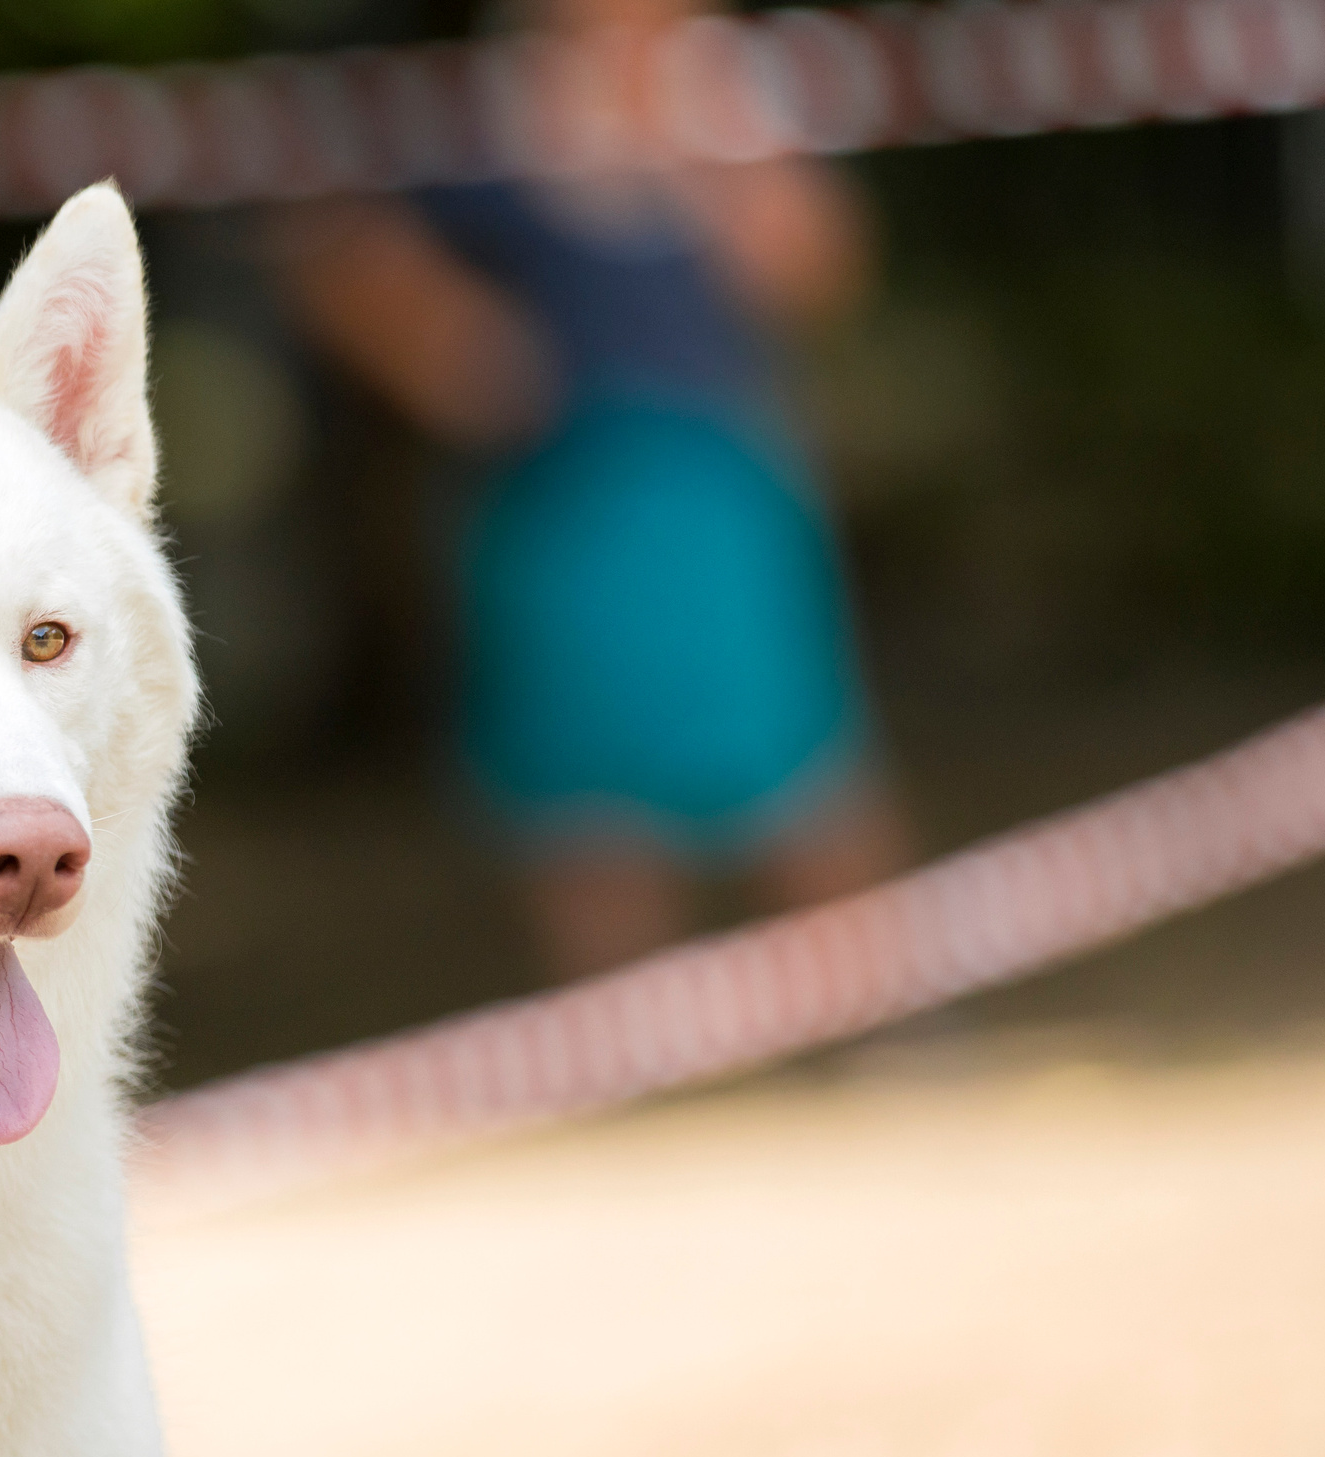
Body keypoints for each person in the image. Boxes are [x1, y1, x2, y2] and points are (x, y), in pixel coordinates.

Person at [271, 0, 910, 981]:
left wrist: (716, 155)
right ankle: (629, 1048)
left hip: (719, 477)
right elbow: (331, 248)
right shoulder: (471, 110)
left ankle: (875, 1012)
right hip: (551, 493)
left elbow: (815, 273)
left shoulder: (739, 88)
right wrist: (445, 349)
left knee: (798, 766)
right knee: (584, 795)